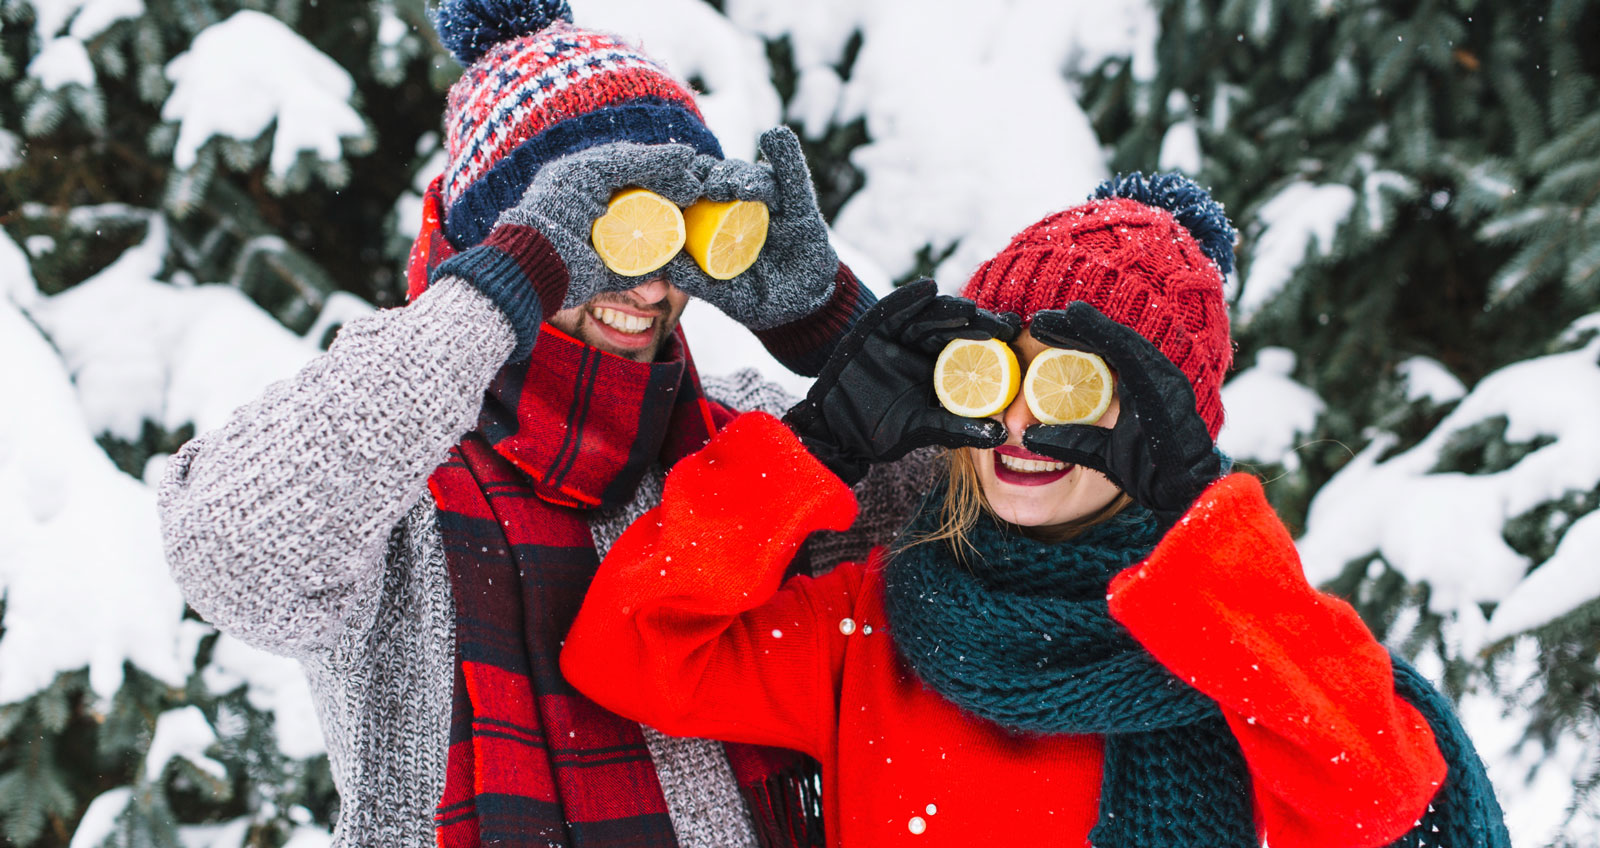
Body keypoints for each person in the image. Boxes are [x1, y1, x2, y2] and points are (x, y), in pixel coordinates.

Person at [157, 1, 931, 846]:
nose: (646, 289)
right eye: (612, 238)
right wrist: (503, 290)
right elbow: (232, 551)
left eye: (670, 238)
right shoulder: (399, 476)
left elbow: (993, 522)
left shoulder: (760, 441)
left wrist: (839, 329)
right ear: (513, 242)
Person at [561, 173, 1513, 846]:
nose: (1020, 421)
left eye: (1071, 383)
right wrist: (820, 443)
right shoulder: (876, 628)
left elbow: (1376, 801)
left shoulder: (1243, 652)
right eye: (998, 369)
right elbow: (629, 647)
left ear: (1163, 419)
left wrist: (1195, 515)